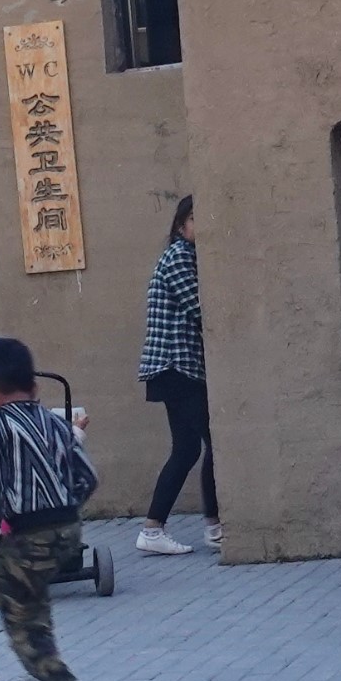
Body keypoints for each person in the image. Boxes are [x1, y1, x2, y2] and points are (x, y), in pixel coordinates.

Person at [0, 336, 105, 681]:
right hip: (66, 532)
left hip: (25, 538)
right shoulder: (55, 423)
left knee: (21, 625)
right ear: (34, 386)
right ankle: (42, 657)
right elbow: (88, 477)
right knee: (33, 603)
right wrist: (65, 510)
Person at [137, 195, 219, 555]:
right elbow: (201, 310)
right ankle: (211, 526)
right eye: (195, 218)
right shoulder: (180, 258)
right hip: (175, 365)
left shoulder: (189, 256)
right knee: (212, 443)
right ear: (181, 223)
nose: (202, 224)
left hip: (179, 368)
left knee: (187, 449)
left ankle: (154, 529)